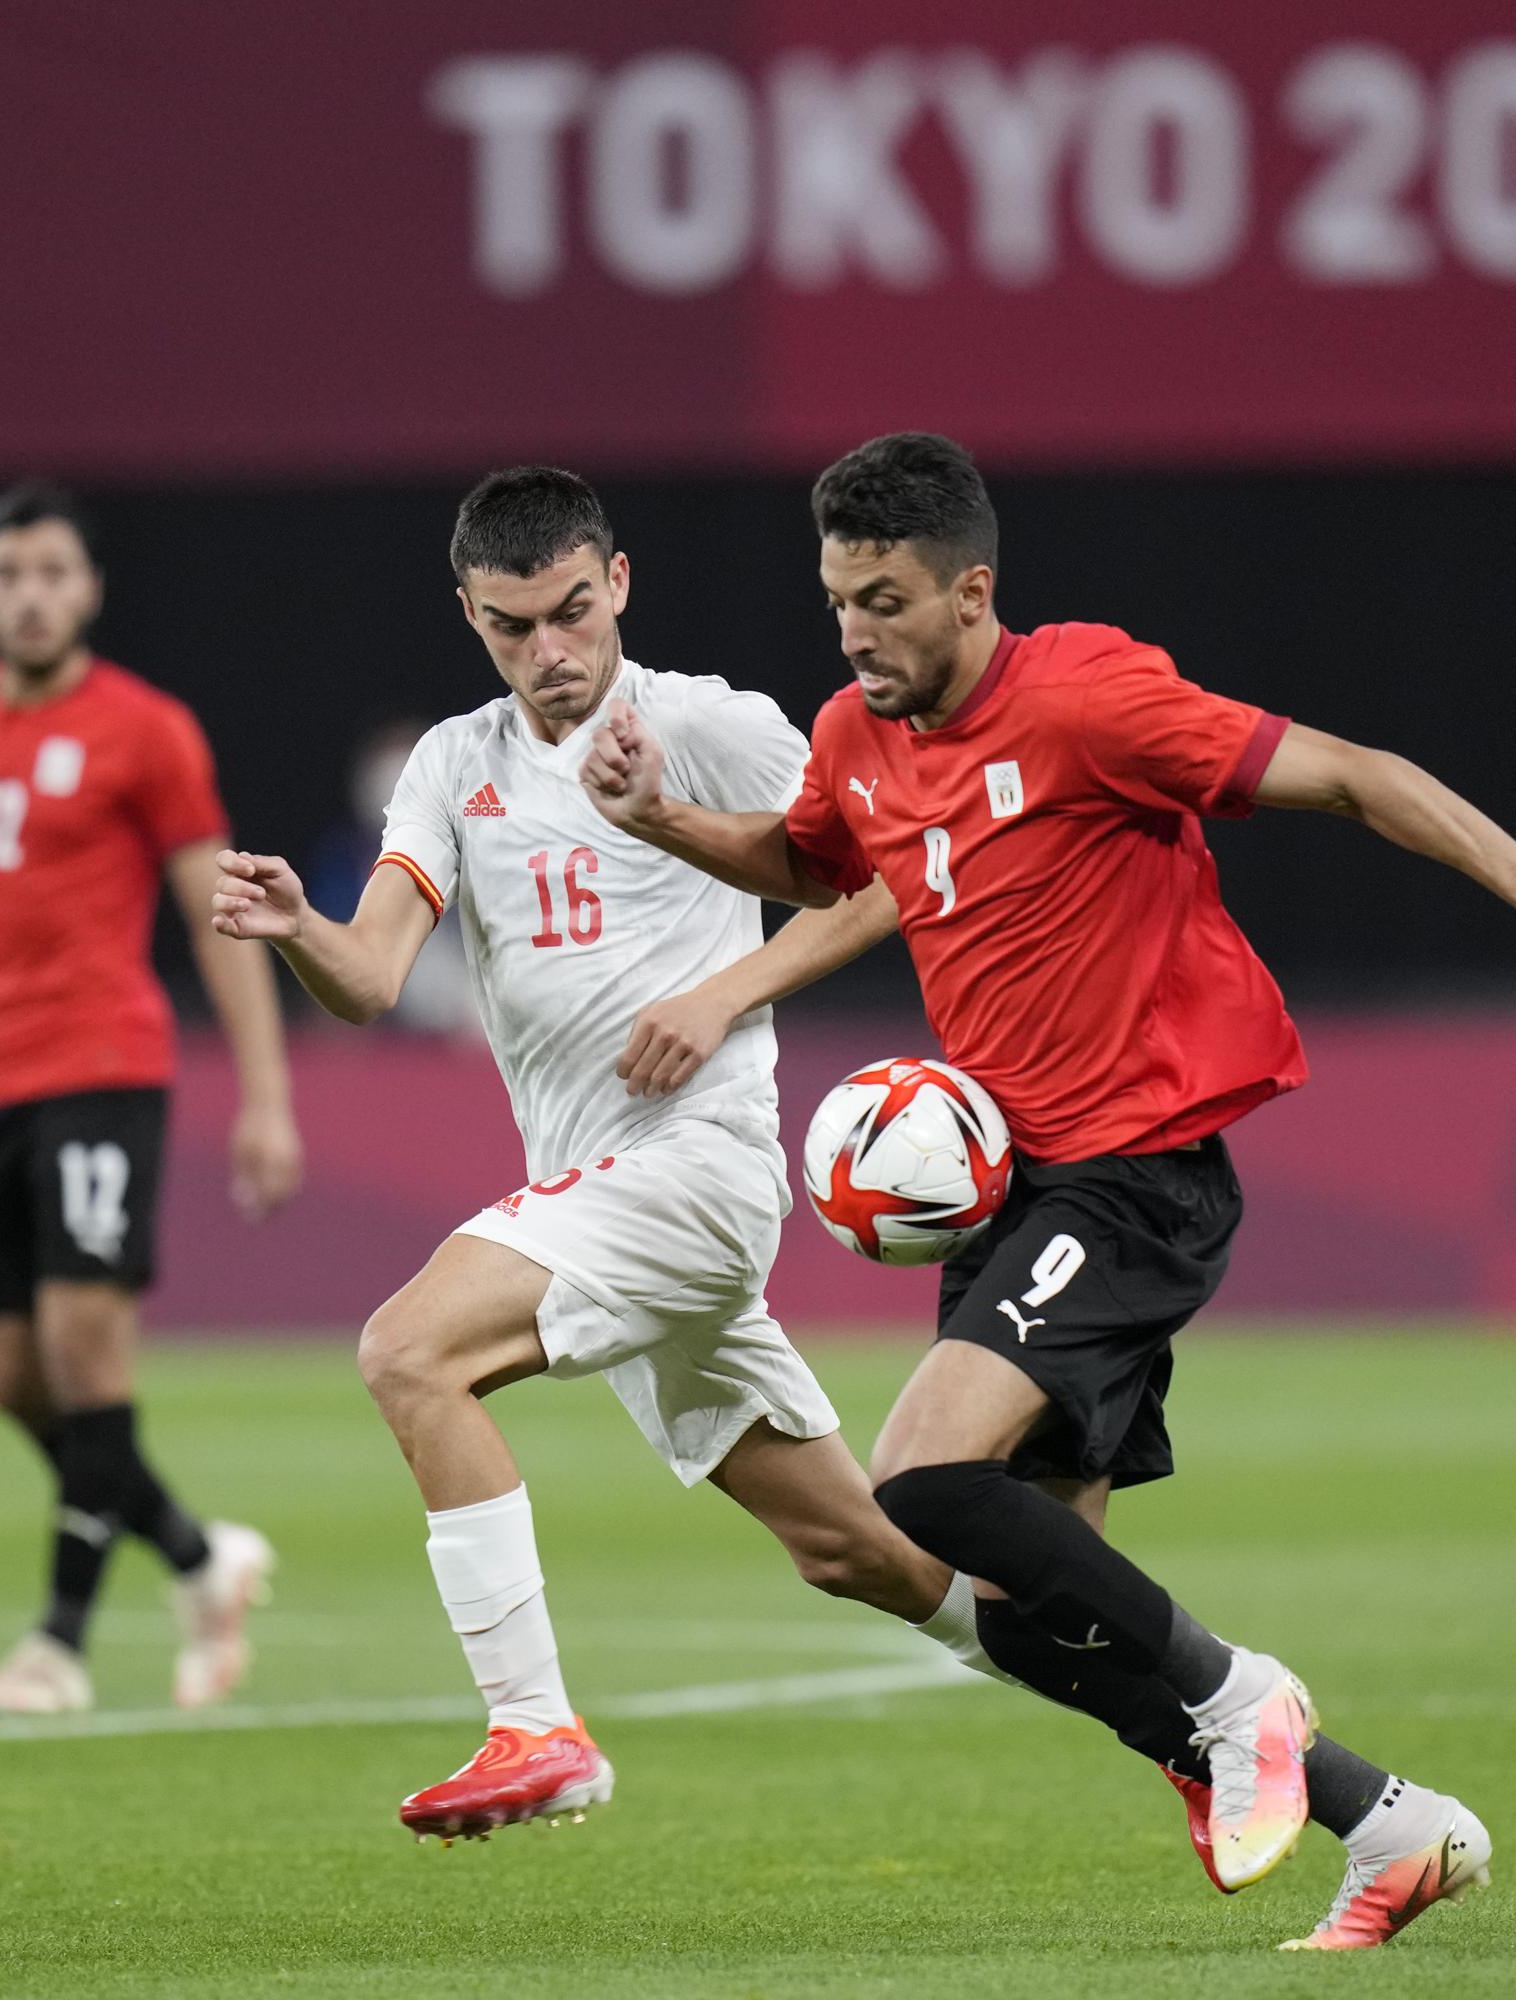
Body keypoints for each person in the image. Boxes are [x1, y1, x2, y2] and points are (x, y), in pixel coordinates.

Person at [580, 432, 1516, 1950]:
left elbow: (1357, 777)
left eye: (884, 601)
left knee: (918, 1480)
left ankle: (1238, 1698)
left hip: (1136, 1172)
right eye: (835, 601)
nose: (855, 634)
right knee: (1023, 1614)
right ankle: (1392, 1823)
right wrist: (663, 822)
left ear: (974, 592)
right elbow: (820, 863)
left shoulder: (1088, 698)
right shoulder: (856, 730)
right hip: (1014, 1194)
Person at [205, 467, 1002, 1842]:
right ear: (470, 614)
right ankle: (1193, 1698)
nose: (550, 652)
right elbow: (376, 975)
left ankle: (536, 1729)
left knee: (408, 1351)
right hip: (600, 1194)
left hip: (699, 1171)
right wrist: (300, 933)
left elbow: (888, 875)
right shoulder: (453, 766)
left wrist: (724, 995)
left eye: (572, 613)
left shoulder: (710, 727)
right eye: (514, 627)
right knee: (853, 1552)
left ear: (619, 583)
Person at [0, 482, 304, 1716]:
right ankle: (201, 1559)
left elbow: (223, 915)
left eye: (52, 572)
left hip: (103, 1067)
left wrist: (265, 1092)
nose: (30, 594)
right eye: (7, 574)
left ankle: (58, 1642)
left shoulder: (147, 730)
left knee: (86, 1347)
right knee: (9, 1375)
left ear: (90, 588)